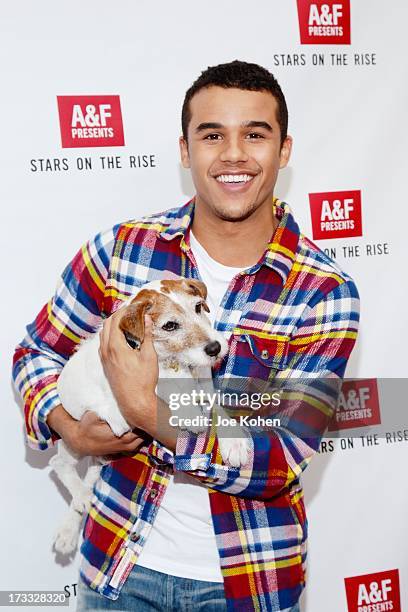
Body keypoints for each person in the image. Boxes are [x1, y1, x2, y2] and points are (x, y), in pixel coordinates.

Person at [12, 60, 359, 611]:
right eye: (212, 134)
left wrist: (145, 410)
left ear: (284, 150)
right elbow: (36, 352)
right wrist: (65, 425)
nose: (234, 155)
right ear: (185, 149)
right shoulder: (121, 250)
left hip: (249, 584)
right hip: (118, 571)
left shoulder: (323, 292)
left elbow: (281, 454)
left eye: (256, 134)